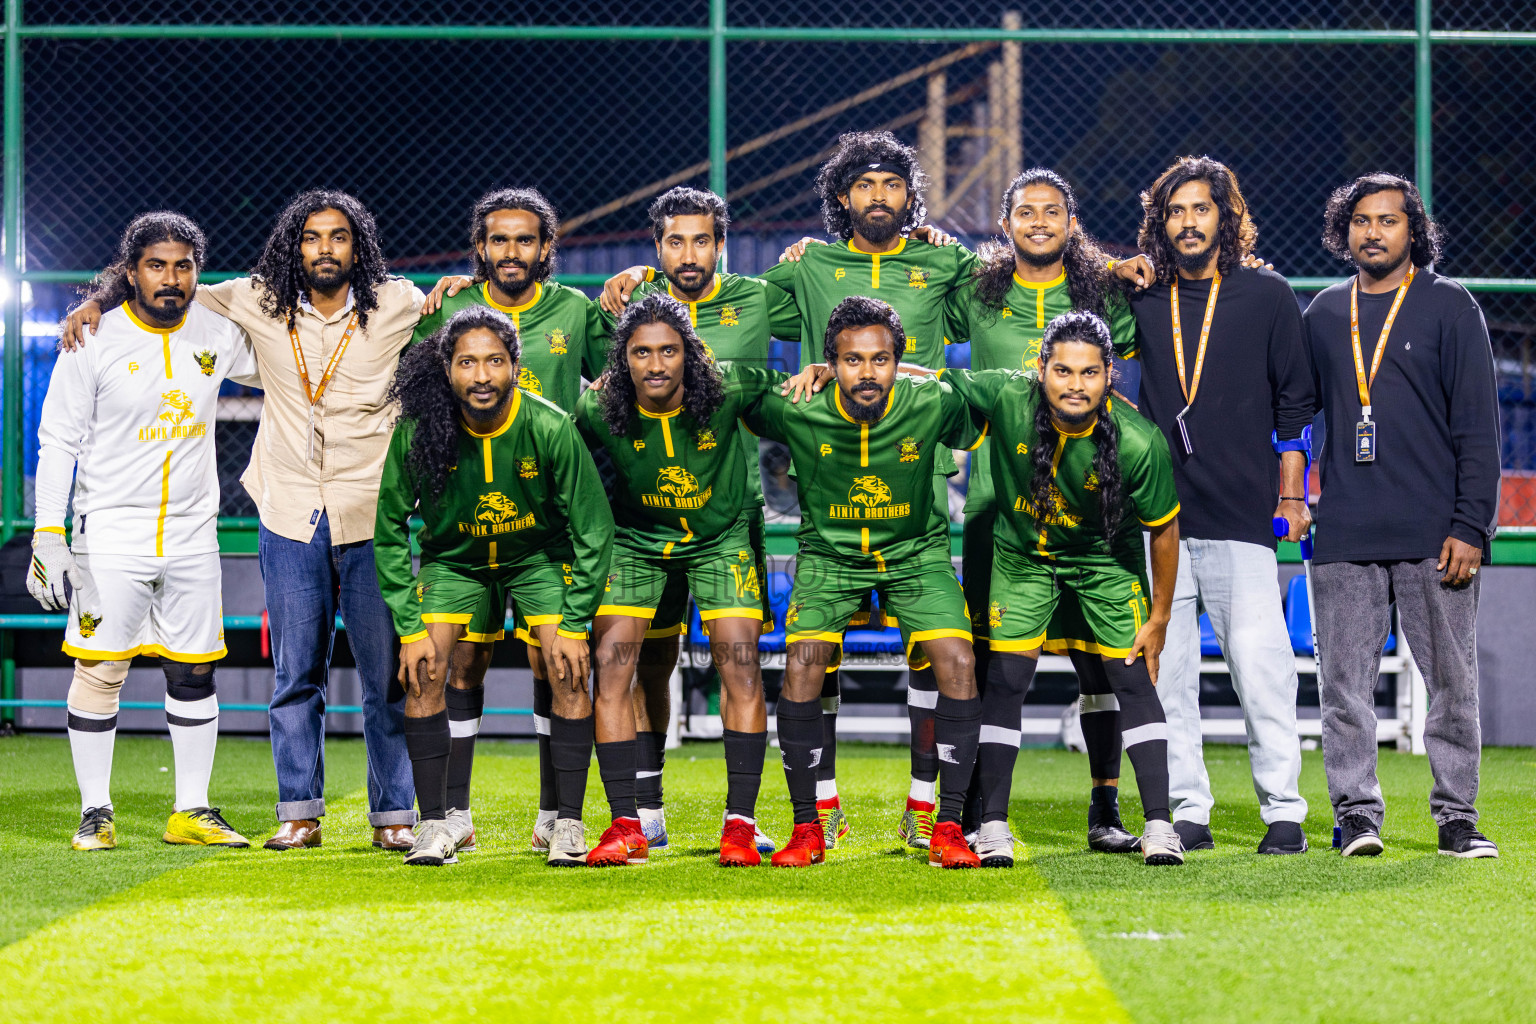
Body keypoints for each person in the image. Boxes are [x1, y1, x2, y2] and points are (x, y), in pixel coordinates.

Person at [64, 190, 424, 852]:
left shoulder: (399, 303)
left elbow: (462, 313)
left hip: (374, 511)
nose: (324, 248)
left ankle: (394, 815)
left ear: (357, 247)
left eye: (337, 237)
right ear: (294, 247)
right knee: (295, 676)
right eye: (311, 237)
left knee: (387, 677)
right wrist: (97, 300)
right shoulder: (255, 300)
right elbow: (163, 287)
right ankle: (299, 814)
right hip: (289, 510)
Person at [32, 212, 261, 851]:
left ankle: (192, 810)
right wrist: (49, 535)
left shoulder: (217, 333)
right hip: (110, 534)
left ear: (196, 272)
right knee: (102, 669)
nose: (171, 278)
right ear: (130, 272)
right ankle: (95, 812)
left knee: (193, 673)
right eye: (156, 265)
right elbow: (57, 441)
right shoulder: (94, 339)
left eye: (183, 266)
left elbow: (277, 366)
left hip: (194, 535)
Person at [737, 296, 986, 868]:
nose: (867, 373)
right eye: (851, 360)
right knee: (802, 664)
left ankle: (947, 827)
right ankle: (808, 828)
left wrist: (929, 373)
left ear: (899, 362)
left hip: (916, 554)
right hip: (829, 556)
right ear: (830, 363)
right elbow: (736, 396)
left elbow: (991, 403)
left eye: (881, 359)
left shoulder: (931, 402)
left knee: (959, 662)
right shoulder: (800, 403)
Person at [588, 186, 799, 854]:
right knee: (627, 664)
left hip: (723, 525)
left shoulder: (757, 303)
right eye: (674, 241)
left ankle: (741, 821)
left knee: (740, 662)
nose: (689, 252)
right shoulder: (622, 321)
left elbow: (838, 310)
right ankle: (637, 816)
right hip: (638, 533)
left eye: (702, 239)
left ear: (721, 242)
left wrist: (813, 257)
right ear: (656, 247)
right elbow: (560, 443)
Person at [943, 168, 1144, 854]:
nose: (1037, 220)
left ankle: (1105, 809)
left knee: (1100, 663)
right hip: (1001, 509)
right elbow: (904, 288)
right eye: (1024, 211)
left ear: (1071, 222)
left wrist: (1124, 266)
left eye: (1051, 211)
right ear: (1005, 224)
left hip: (1092, 504)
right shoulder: (976, 290)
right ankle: (973, 806)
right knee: (992, 660)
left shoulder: (1104, 293)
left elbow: (1169, 328)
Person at [937, 311, 1185, 866]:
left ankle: (1158, 826)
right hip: (1022, 559)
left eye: (1090, 373)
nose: (1076, 384)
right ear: (1041, 369)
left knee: (1131, 677)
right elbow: (927, 379)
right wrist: (832, 370)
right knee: (1005, 679)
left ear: (1109, 375)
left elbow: (1164, 530)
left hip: (1104, 563)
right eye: (1064, 371)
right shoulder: (1006, 397)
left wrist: (1160, 616)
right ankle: (993, 826)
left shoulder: (1140, 442)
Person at [1305, 173, 1500, 859]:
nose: (1373, 232)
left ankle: (1457, 819)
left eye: (1388, 220)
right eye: (1360, 220)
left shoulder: (1450, 306)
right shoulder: (1325, 314)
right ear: (1344, 230)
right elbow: (1294, 415)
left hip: (1435, 534)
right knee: (1344, 688)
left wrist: (1472, 525)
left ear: (1412, 229)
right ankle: (1356, 815)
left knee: (1451, 684)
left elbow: (1479, 428)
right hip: (1345, 534)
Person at [375, 307, 612, 866]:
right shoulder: (418, 431)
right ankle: (437, 824)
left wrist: (576, 625)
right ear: (447, 369)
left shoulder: (550, 426)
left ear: (514, 365)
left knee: (568, 663)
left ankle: (566, 825)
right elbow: (387, 532)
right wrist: (409, 629)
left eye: (494, 361)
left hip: (535, 558)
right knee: (425, 666)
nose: (481, 375)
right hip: (454, 563)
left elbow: (594, 531)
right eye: (467, 363)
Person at [1125, 156, 1313, 855]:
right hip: (1162, 519)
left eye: (1201, 209)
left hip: (1243, 513)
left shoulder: (1267, 294)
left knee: (1260, 666)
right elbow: (1065, 299)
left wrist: (1292, 492)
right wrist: (1116, 270)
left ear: (1226, 217)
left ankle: (1284, 811)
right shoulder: (1144, 296)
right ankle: (1187, 810)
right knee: (1166, 672)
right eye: (1175, 211)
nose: (1188, 222)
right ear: (1160, 221)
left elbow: (1296, 399)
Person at [413, 187, 610, 853]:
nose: (512, 252)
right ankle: (455, 815)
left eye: (526, 240)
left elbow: (627, 369)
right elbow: (418, 397)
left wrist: (639, 279)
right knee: (463, 663)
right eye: (499, 240)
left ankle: (558, 817)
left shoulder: (575, 311)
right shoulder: (449, 313)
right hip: (467, 522)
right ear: (480, 248)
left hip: (544, 525)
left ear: (546, 248)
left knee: (552, 662)